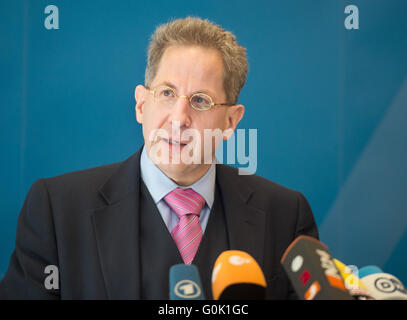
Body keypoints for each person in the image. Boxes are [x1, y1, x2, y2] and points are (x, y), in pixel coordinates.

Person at [0, 17, 318, 299]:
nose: (179, 118)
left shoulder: (286, 216)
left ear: (230, 122)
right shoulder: (57, 210)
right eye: (166, 93)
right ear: (141, 105)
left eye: (201, 100)